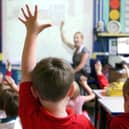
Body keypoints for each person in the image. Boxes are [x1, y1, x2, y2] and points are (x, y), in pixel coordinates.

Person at [18, 4, 95, 129]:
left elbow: (27, 73)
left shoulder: (30, 117)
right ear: (71, 90)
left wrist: (32, 33)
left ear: (34, 91)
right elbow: (27, 73)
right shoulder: (83, 124)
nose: (75, 40)